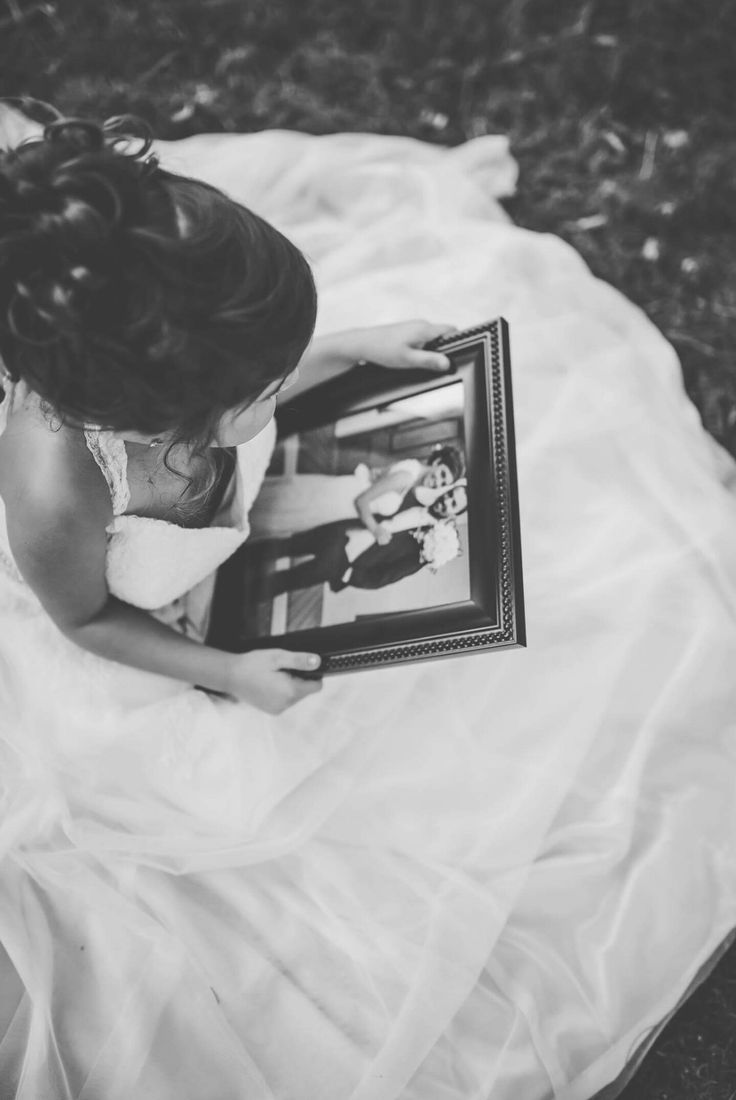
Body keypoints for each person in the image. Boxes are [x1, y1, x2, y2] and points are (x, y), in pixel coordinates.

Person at [1, 103, 736, 1100]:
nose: (275, 389)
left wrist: (348, 352)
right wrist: (226, 670)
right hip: (141, 645)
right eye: (262, 387)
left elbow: (237, 387)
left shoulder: (185, 368)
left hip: (234, 526)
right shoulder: (58, 494)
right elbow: (84, 619)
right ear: (151, 413)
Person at [263, 484, 466, 596]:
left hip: (343, 561)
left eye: (453, 503)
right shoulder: (416, 496)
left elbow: (385, 577)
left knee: (285, 581)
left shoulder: (428, 547)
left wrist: (350, 574)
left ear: (453, 515)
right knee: (283, 545)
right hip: (340, 532)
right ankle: (240, 558)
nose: (446, 500)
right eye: (449, 494)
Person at [247, 441, 465, 542]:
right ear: (437, 462)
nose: (438, 482)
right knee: (283, 509)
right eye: (442, 473)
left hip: (342, 497)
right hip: (340, 499)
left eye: (444, 482)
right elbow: (363, 502)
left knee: (286, 503)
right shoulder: (407, 476)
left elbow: (377, 474)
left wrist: (376, 476)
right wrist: (376, 530)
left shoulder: (412, 470)